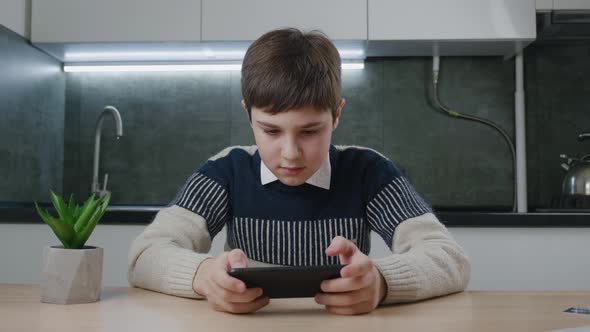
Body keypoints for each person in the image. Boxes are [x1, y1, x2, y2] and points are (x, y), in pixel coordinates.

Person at [128, 28, 470, 315]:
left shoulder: (369, 171)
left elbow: (449, 258)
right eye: (271, 131)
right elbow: (145, 254)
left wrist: (381, 282)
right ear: (248, 115)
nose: (290, 154)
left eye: (310, 131)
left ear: (337, 115)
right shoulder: (225, 171)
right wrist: (203, 275)